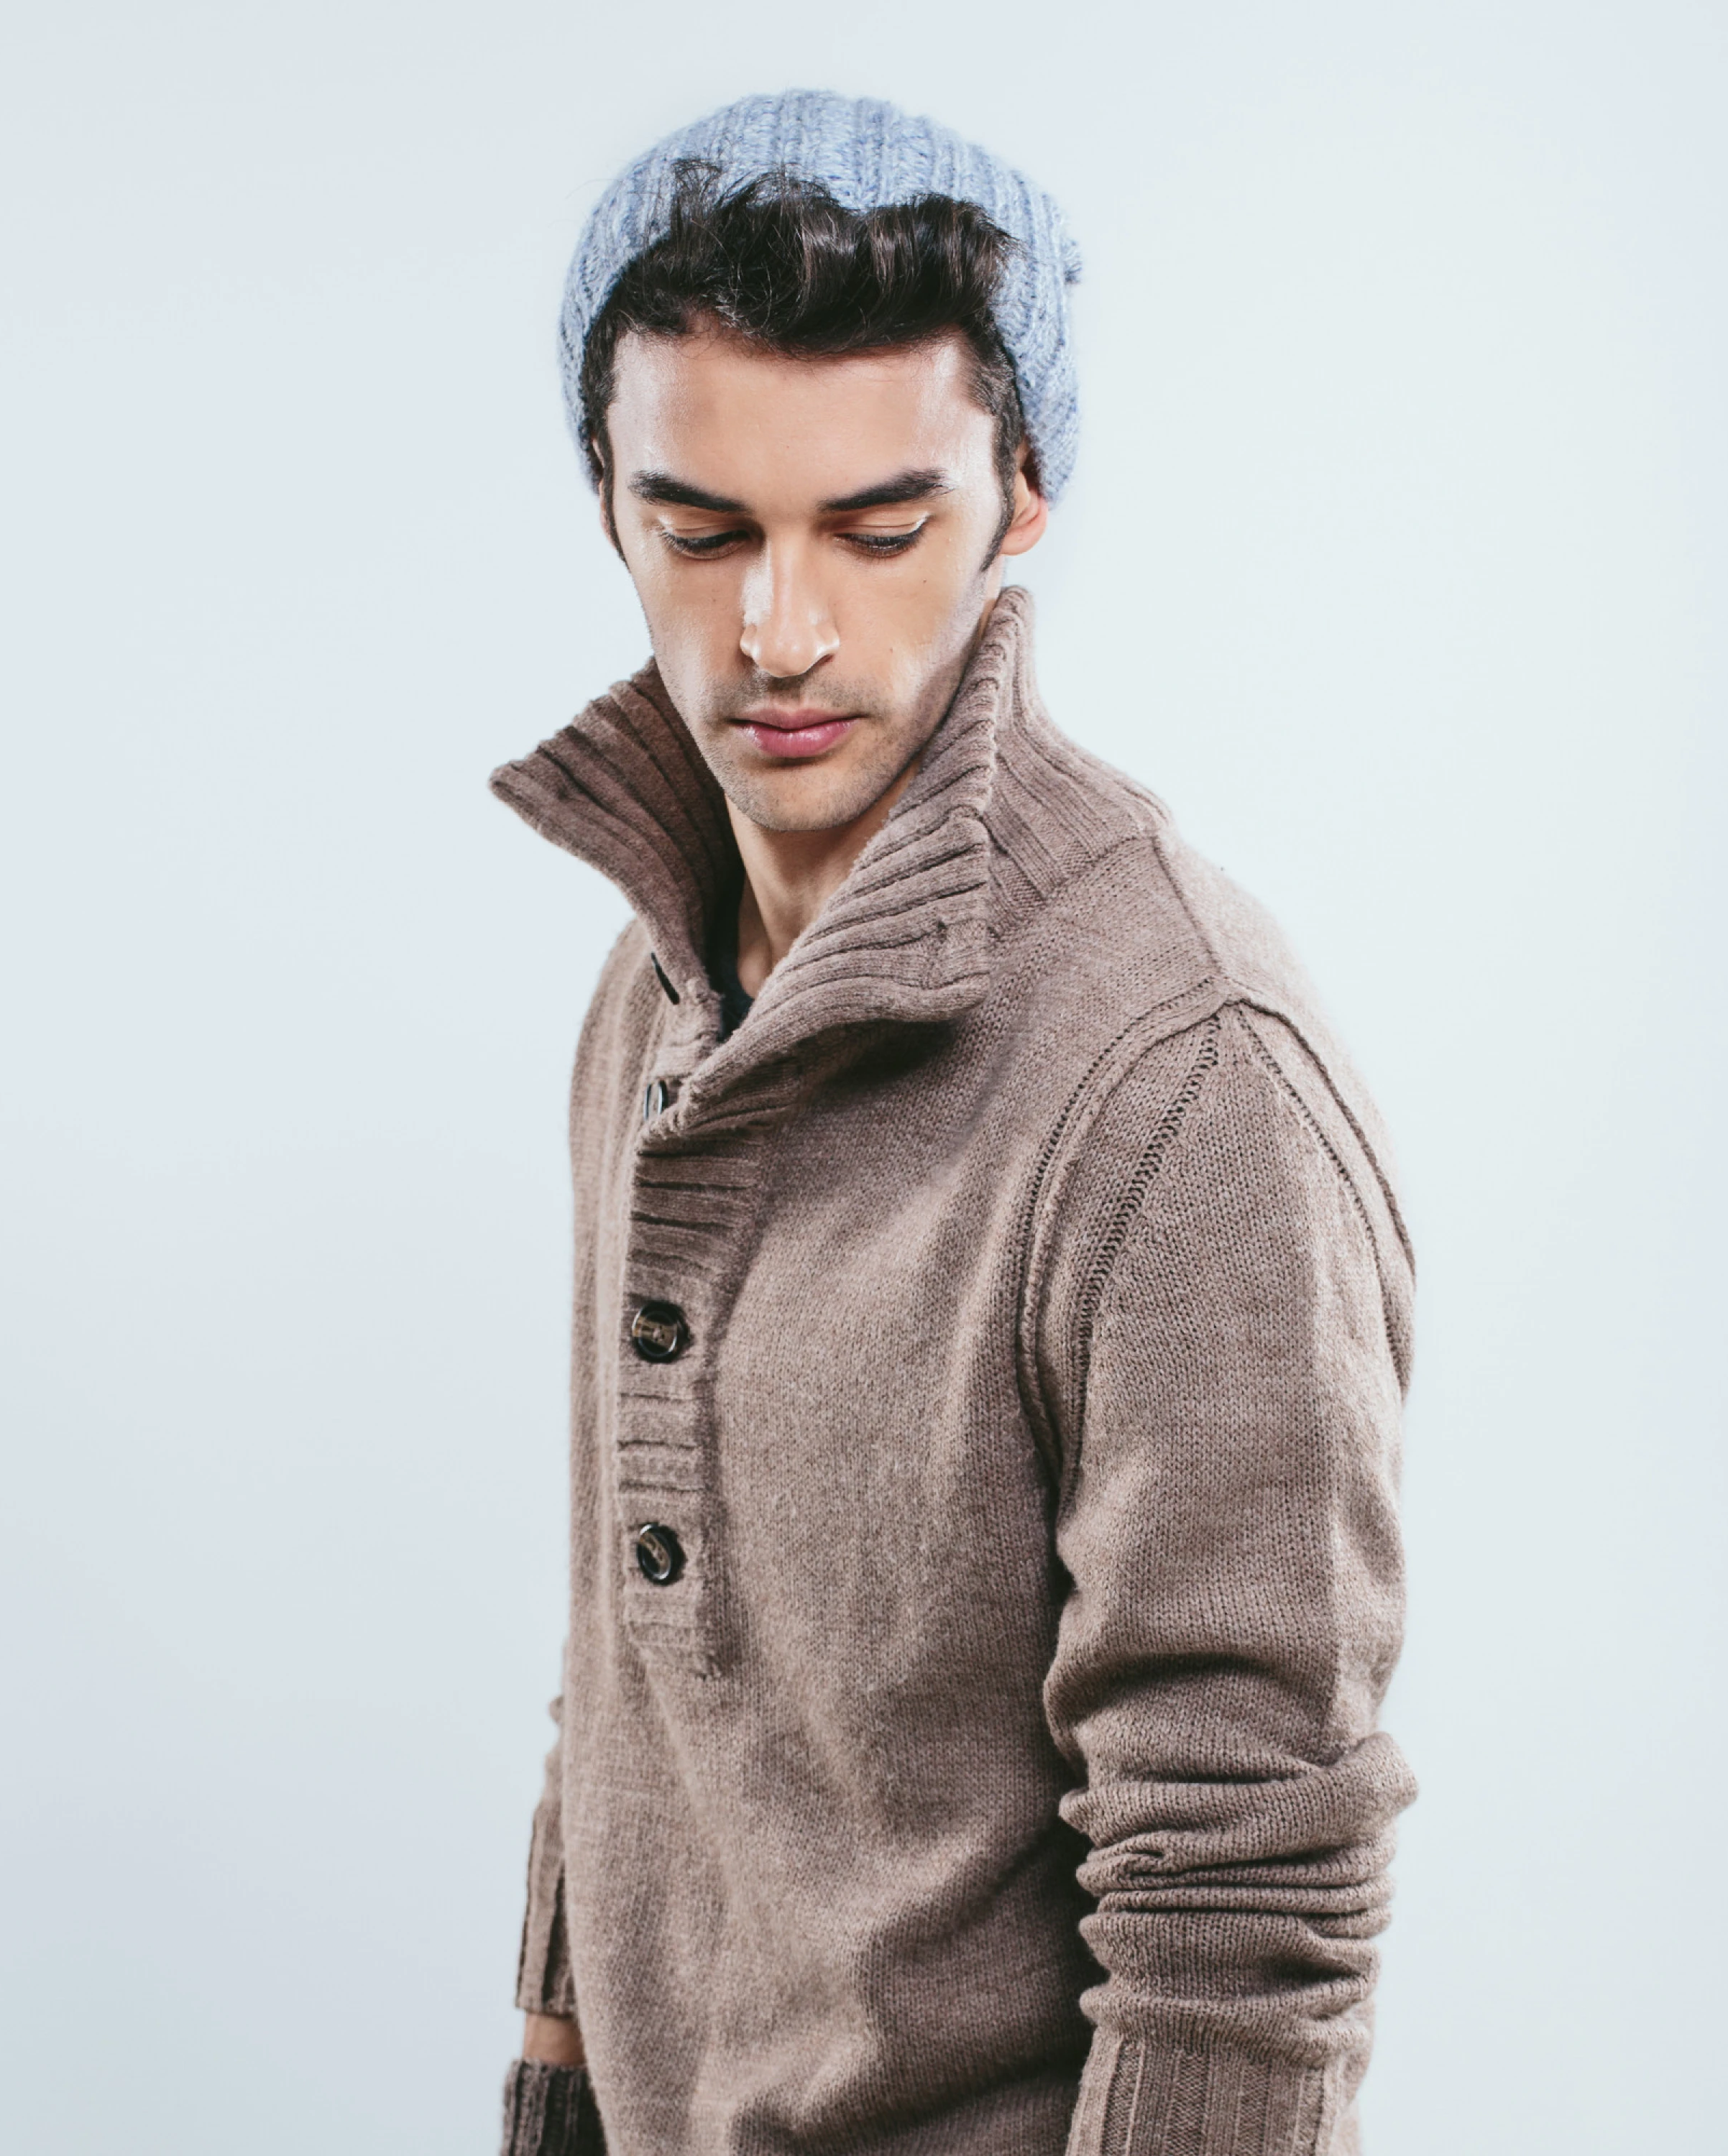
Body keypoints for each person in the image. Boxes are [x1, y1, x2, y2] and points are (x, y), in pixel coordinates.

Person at [491, 91, 1415, 2156]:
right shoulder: (653, 980)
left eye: (878, 530)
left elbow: (1243, 1909)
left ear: (1023, 503)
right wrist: (547, 2085)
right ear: (607, 503)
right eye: (701, 531)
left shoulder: (1188, 1085)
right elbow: (620, 1673)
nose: (781, 632)